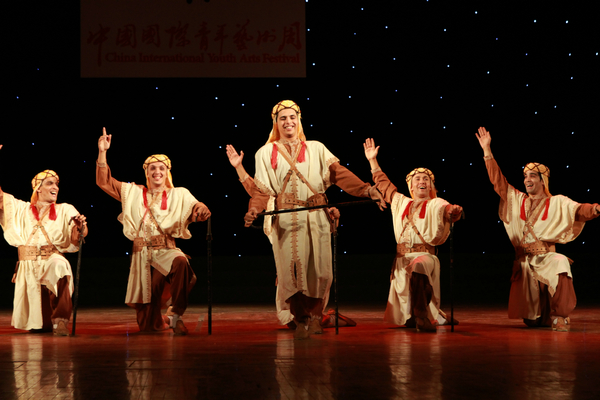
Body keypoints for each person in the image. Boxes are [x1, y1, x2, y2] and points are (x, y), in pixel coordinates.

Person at [243, 100, 382, 339]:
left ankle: (317, 317)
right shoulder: (264, 153)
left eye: (292, 117)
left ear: (299, 120)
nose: (288, 122)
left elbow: (338, 174)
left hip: (316, 216)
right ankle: (301, 320)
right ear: (276, 123)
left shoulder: (316, 148)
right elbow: (261, 191)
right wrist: (254, 209)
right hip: (285, 219)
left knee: (320, 270)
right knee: (292, 272)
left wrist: (366, 190)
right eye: (283, 118)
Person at [475, 127, 600, 331]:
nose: (527, 180)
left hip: (545, 257)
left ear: (543, 180)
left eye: (532, 176)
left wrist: (594, 209)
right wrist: (487, 151)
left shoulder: (557, 201)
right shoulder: (517, 200)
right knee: (532, 322)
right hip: (525, 261)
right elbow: (498, 182)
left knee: (560, 262)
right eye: (525, 176)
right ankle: (544, 315)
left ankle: (560, 316)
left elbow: (578, 210)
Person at [226, 144, 356, 330]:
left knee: (312, 270)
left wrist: (326, 213)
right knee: (290, 278)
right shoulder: (272, 187)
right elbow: (257, 190)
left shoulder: (297, 183)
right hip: (282, 228)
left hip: (304, 225)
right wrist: (239, 167)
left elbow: (313, 195)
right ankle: (311, 316)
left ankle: (317, 315)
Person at [96, 129, 211, 335]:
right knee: (149, 327)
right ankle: (161, 320)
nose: (157, 171)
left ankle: (175, 316)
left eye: (161, 168)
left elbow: (195, 207)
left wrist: (202, 209)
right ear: (147, 173)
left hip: (166, 250)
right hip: (141, 255)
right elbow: (104, 182)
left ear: (167, 172)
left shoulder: (179, 193)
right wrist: (102, 152)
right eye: (152, 168)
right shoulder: (132, 192)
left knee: (180, 261)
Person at [363, 138, 463, 332]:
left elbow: (447, 210)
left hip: (425, 256)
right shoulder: (400, 202)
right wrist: (372, 160)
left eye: (426, 179)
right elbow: (384, 185)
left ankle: (422, 317)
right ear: (411, 185)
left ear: (431, 185)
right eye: (417, 179)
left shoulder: (436, 203)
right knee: (407, 305)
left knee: (418, 265)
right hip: (402, 258)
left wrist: (454, 211)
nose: (422, 181)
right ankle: (424, 317)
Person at [0, 144, 88, 336]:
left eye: (56, 184)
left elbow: (80, 232)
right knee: (39, 328)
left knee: (60, 265)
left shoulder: (65, 208)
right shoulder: (20, 208)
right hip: (28, 265)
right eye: (50, 183)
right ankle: (47, 322)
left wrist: (80, 227)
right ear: (38, 188)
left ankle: (61, 321)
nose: (55, 187)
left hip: (51, 259)